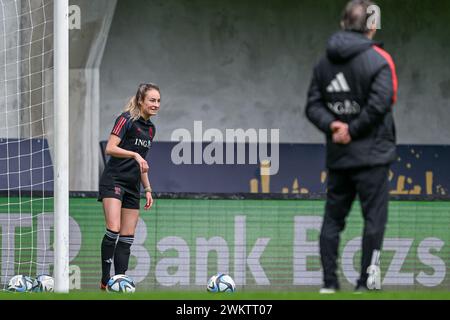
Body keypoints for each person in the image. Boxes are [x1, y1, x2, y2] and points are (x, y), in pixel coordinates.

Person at [305, 0, 398, 293]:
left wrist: (335, 126)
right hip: (372, 156)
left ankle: (329, 285)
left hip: (339, 156)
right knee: (374, 220)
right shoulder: (380, 59)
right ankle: (365, 284)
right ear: (372, 25)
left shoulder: (324, 63)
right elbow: (383, 103)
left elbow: (313, 105)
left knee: (333, 220)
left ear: (344, 23)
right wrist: (353, 129)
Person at [98, 83, 161, 290]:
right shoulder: (125, 119)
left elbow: (142, 163)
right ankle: (105, 280)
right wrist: (133, 154)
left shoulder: (151, 129)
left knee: (127, 237)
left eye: (158, 101)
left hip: (134, 186)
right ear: (141, 100)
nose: (156, 104)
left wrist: (148, 189)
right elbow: (110, 148)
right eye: (152, 100)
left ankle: (120, 282)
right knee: (113, 230)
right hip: (114, 180)